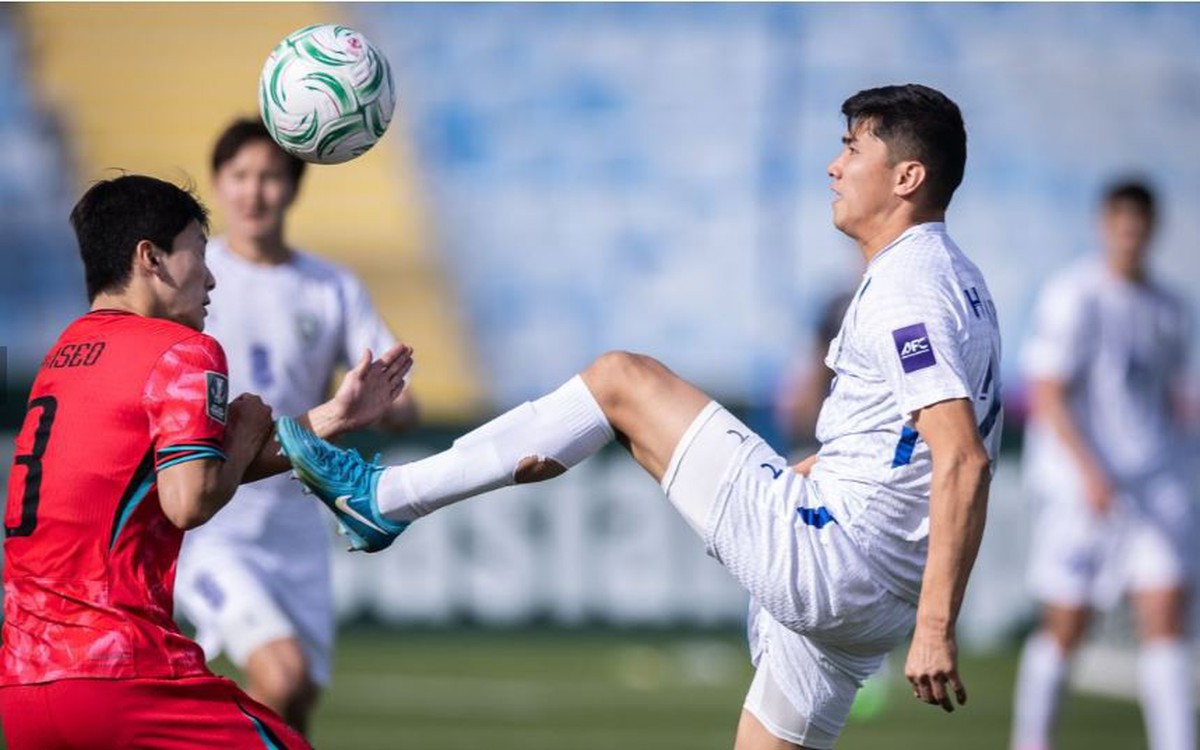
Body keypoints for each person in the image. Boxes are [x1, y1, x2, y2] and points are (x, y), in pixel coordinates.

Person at [278, 83, 1002, 750]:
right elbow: (898, 447)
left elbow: (962, 457)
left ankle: (384, 498)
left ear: (907, 177)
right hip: (872, 594)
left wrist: (937, 627)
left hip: (836, 561)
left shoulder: (908, 286)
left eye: (853, 149)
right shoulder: (955, 279)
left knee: (621, 381)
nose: (834, 167)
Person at [0, 174, 411, 748]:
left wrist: (331, 417)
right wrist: (242, 434)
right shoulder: (181, 350)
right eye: (198, 250)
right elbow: (189, 500)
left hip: (23, 688)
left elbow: (173, 477)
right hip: (122, 676)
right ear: (151, 258)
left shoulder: (64, 355)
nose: (212, 276)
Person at [175, 118, 418, 734]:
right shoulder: (193, 279)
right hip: (213, 520)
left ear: (293, 187)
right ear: (218, 183)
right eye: (241, 176)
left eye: (271, 177)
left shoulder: (330, 287)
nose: (255, 192)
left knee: (297, 700)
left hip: (297, 523)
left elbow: (399, 400)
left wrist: (386, 405)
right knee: (281, 675)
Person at [1010, 181, 1194, 750]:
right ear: (1105, 226)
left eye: (1139, 227)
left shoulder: (1170, 307)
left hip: (1153, 485)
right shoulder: (1075, 296)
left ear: (1152, 230)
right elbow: (1047, 394)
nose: (1130, 237)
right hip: (1082, 490)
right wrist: (1089, 472)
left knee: (1165, 614)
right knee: (1067, 623)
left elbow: (1172, 398)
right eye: (1121, 225)